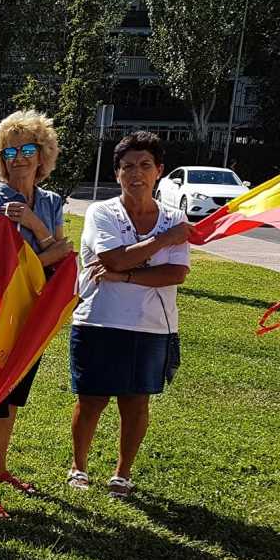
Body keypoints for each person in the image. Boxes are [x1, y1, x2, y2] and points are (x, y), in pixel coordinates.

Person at [69, 130, 190, 499]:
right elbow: (113, 258)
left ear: (159, 172)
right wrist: (165, 241)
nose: (136, 173)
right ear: (117, 174)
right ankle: (78, 467)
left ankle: (122, 474)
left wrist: (126, 276)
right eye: (127, 167)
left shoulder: (174, 215)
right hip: (99, 320)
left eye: (145, 165)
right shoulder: (101, 212)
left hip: (151, 326)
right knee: (92, 400)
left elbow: (176, 274)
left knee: (136, 402)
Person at [0, 110, 74, 518]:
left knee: (14, 400)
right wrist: (48, 252)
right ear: (0, 157)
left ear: (42, 153)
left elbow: (62, 255)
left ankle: (0, 467)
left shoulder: (48, 203)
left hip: (37, 314)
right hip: (1, 317)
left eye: (28, 148)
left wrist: (31, 224)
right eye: (9, 151)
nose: (19, 158)